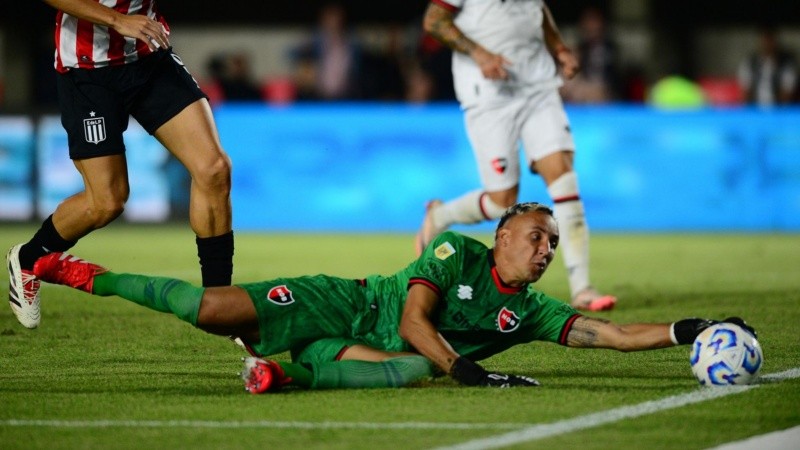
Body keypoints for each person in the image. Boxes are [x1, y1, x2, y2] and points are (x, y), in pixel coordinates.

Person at [27, 202, 756, 392]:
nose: (545, 251)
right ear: (500, 235)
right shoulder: (454, 251)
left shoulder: (529, 312)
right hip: (336, 305)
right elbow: (414, 319)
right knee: (210, 312)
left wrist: (695, 328)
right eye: (536, 237)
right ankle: (81, 274)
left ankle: (286, 374)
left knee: (411, 369)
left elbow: (612, 336)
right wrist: (465, 369)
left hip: (357, 349)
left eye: (552, 247)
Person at [7, 0, 234, 330]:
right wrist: (116, 20)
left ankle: (221, 305)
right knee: (106, 202)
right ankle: (27, 259)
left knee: (214, 168)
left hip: (148, 57)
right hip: (87, 70)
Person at [416, 0, 615, 312]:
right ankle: (440, 216)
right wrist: (480, 54)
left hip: (538, 87)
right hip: (489, 93)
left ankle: (582, 288)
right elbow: (434, 20)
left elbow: (539, 10)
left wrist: (559, 49)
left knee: (564, 180)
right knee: (501, 202)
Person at [560, 6, 621, 104]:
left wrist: (585, 89)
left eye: (593, 21)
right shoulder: (580, 48)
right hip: (580, 98)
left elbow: (604, 87)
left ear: (601, 24)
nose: (590, 25)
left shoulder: (608, 49)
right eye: (587, 21)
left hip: (605, 100)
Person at [738, 25, 798, 107]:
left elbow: (787, 94)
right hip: (755, 112)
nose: (767, 43)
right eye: (764, 38)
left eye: (770, 39)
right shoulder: (750, 63)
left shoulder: (786, 63)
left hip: (779, 113)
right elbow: (746, 93)